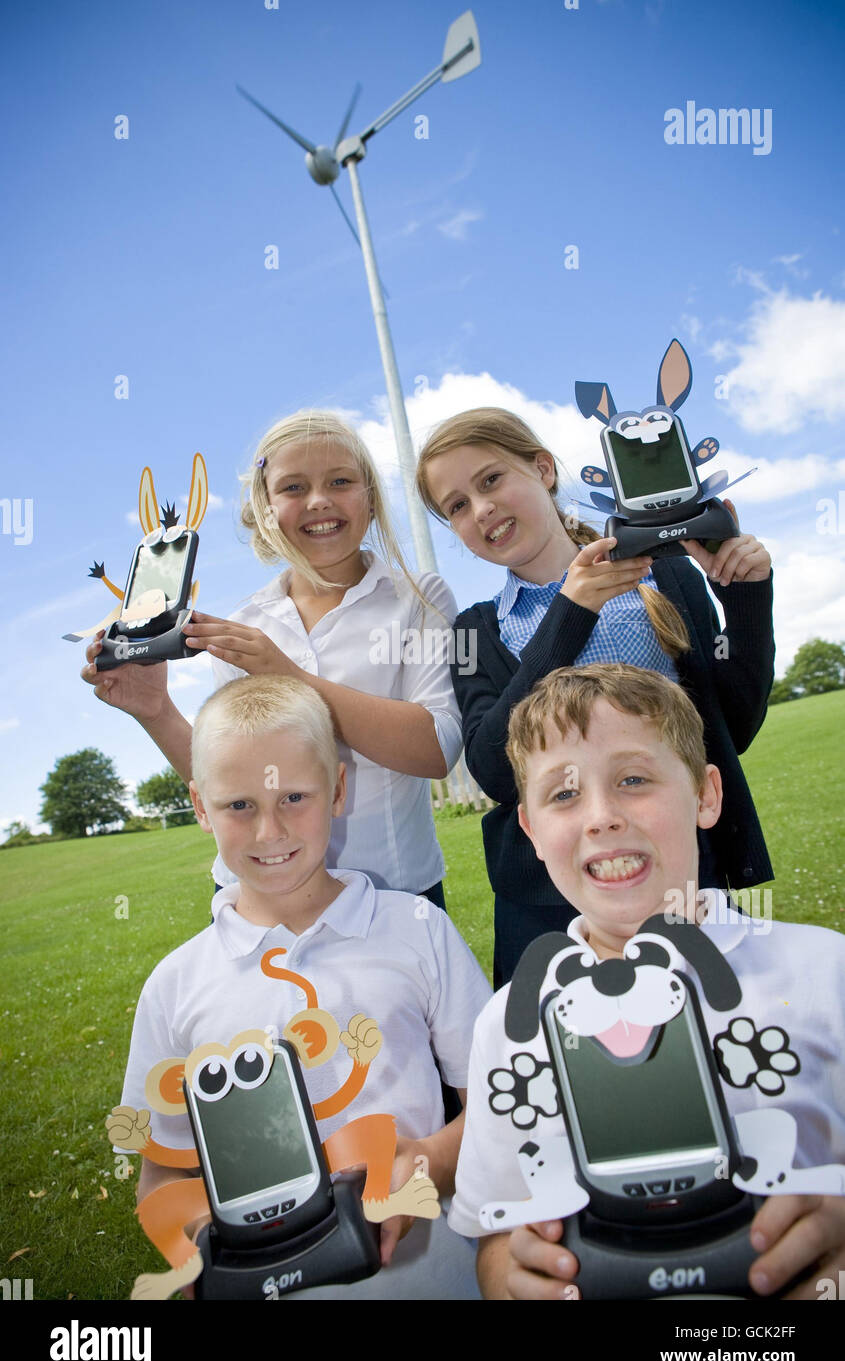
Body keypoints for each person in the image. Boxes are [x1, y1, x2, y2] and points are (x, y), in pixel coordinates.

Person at [447, 664, 845, 1300]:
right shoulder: (507, 1024)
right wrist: (509, 1274)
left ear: (706, 795)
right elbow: (494, 1234)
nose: (601, 817)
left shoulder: (825, 972)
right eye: (564, 795)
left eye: (633, 779)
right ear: (530, 832)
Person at [114, 674, 492, 1300]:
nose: (271, 832)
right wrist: (196, 1241)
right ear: (201, 807)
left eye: (295, 797)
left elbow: (494, 1105)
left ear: (338, 788)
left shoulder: (418, 929)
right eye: (239, 805)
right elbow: (161, 1174)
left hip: (436, 1279)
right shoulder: (173, 987)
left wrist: (425, 1162)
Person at [416, 407, 775, 985]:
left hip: (677, 869)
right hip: (545, 908)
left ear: (544, 469)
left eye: (491, 480)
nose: (480, 508)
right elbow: (492, 769)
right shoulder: (473, 631)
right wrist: (570, 613)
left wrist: (746, 597)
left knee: (703, 1038)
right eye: (456, 506)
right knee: (561, 1063)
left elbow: (732, 723)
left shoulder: (669, 576)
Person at [83, 410, 462, 902]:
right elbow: (225, 779)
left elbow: (437, 749)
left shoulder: (420, 597)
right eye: (293, 487)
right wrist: (155, 711)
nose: (319, 500)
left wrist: (288, 676)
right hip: (257, 900)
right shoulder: (247, 623)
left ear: (369, 499)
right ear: (264, 509)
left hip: (392, 894)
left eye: (340, 481)